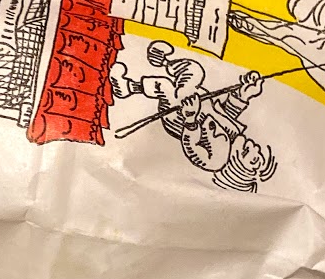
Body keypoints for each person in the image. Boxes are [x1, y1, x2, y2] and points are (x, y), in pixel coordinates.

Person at [110, 43, 277, 192]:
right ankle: (164, 61)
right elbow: (228, 113)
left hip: (180, 117)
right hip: (199, 103)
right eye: (258, 152)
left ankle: (127, 87)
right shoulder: (233, 135)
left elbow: (192, 148)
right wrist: (244, 94)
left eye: (253, 159)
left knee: (165, 86)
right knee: (194, 71)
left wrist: (190, 118)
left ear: (237, 170)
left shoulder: (215, 160)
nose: (256, 148)